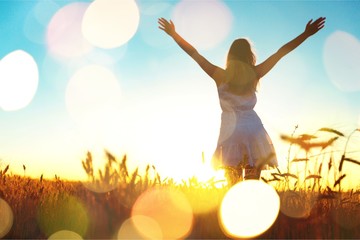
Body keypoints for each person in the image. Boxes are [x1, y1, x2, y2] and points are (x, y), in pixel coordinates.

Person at [158, 17, 326, 183]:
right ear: (249, 55)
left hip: (231, 133)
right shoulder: (255, 73)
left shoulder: (220, 75)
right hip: (254, 130)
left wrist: (174, 34)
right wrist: (306, 34)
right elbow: (281, 53)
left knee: (233, 186)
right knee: (252, 186)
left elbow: (195, 54)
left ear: (230, 55)